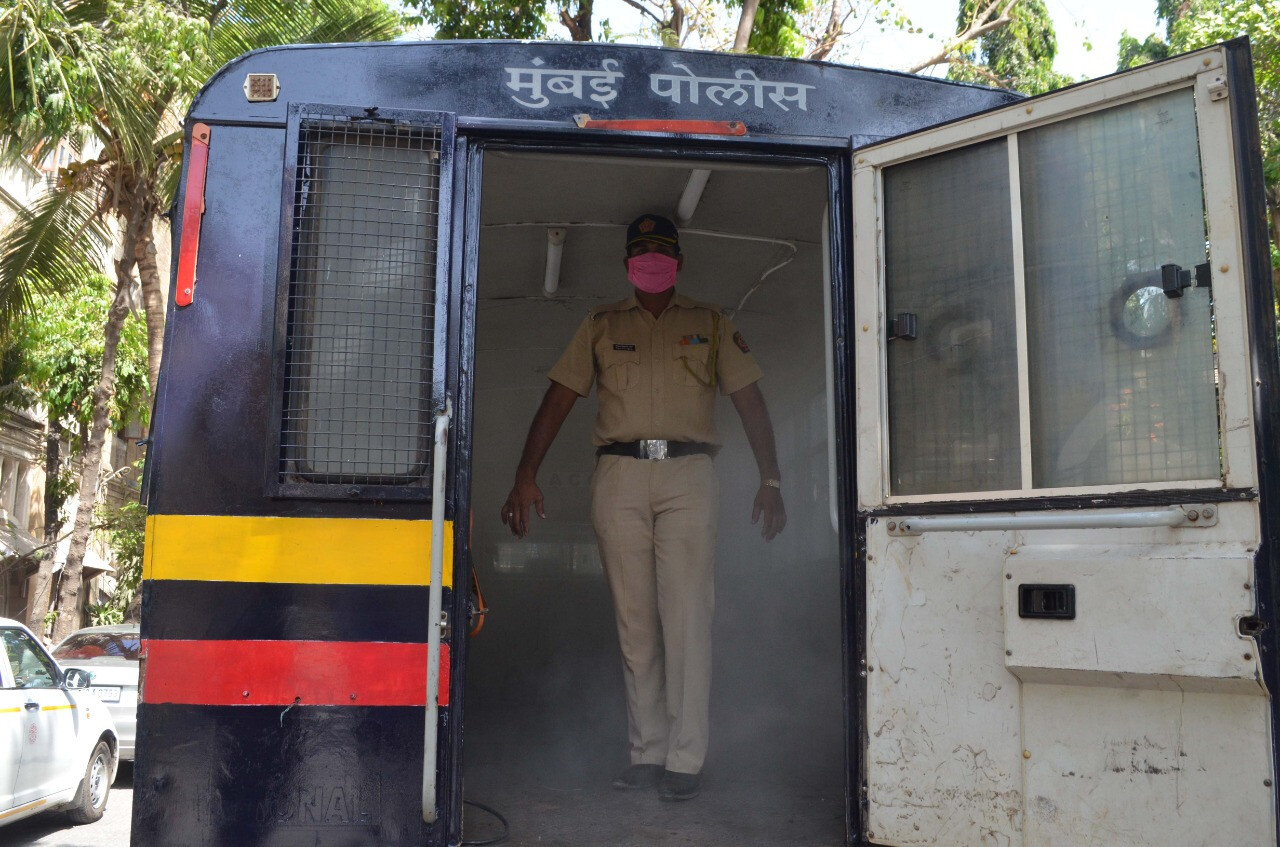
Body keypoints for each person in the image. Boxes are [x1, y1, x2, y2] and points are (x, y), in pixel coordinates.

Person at [500, 213, 786, 802]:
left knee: (687, 618)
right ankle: (647, 753)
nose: (652, 262)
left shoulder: (709, 323)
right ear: (629, 263)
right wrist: (525, 473)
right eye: (643, 253)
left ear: (677, 261)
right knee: (635, 624)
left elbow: (749, 400)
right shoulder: (600, 325)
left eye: (662, 252)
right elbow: (560, 396)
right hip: (621, 475)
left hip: (688, 475)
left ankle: (686, 758)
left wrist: (772, 479)